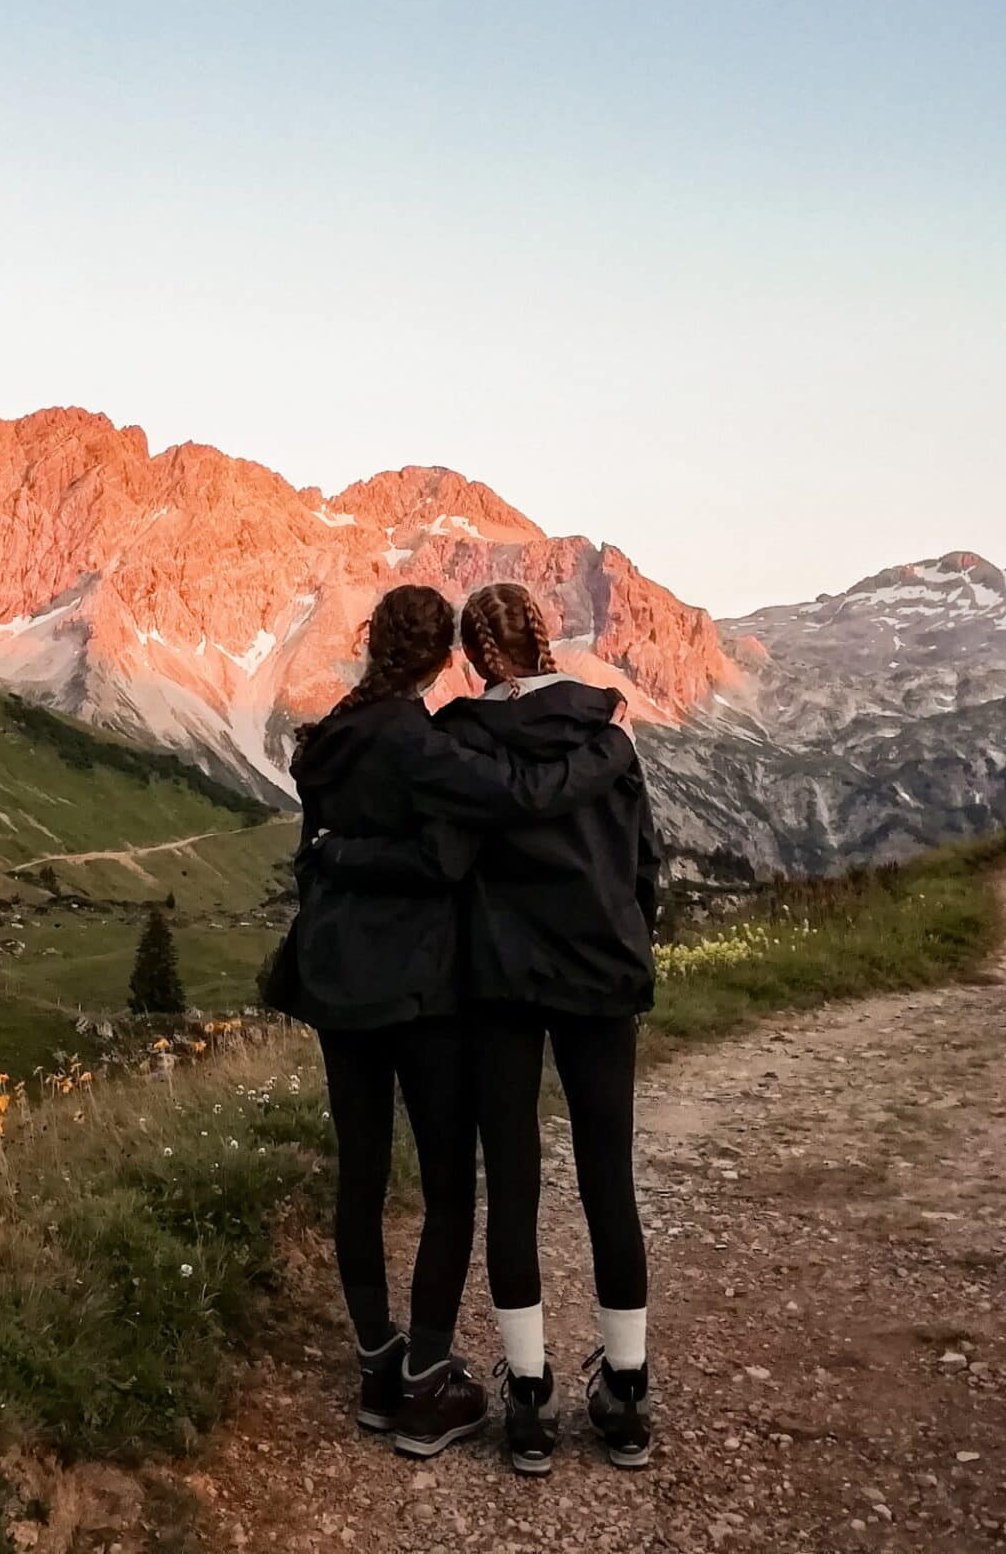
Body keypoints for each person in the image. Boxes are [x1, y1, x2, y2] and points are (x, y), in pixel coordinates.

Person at [269, 583, 636, 1461]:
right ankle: (429, 1381)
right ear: (443, 661)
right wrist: (611, 752)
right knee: (448, 1188)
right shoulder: (419, 739)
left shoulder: (331, 737)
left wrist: (341, 855)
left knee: (359, 1177)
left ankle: (374, 1366)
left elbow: (316, 855)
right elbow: (501, 807)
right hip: (420, 989)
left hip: (332, 981)